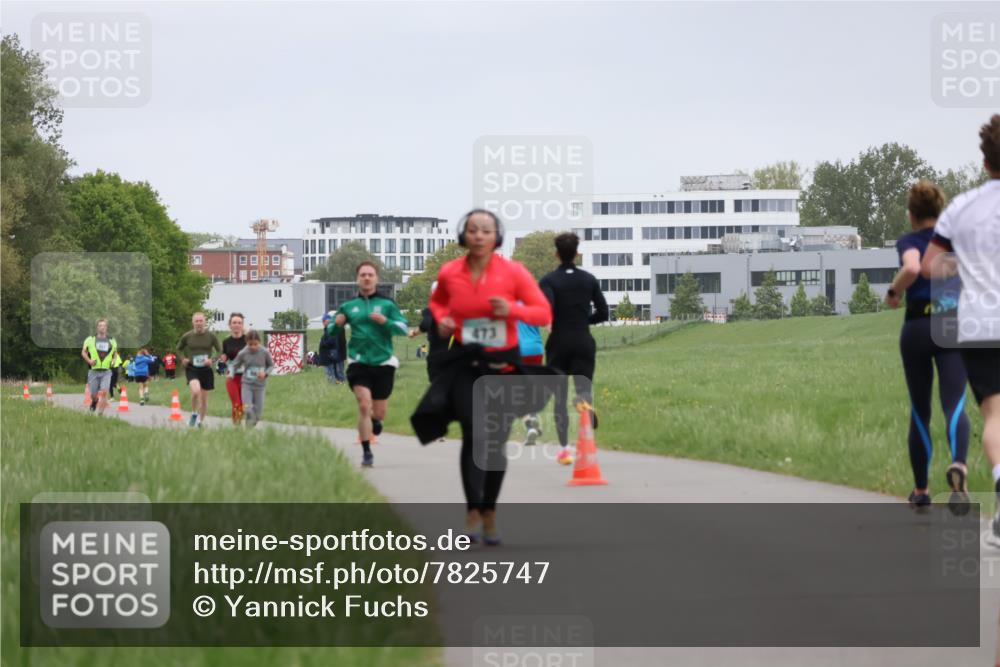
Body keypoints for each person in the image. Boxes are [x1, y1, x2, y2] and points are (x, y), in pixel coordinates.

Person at [412, 209, 553, 545]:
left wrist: (513, 310)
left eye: (486, 230)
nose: (478, 235)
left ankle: (489, 510)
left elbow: (543, 312)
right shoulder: (450, 272)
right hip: (466, 361)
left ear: (496, 237)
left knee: (495, 439)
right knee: (474, 432)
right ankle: (472, 510)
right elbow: (437, 305)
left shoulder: (514, 272)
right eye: (473, 229)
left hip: (502, 361)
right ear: (464, 235)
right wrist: (444, 321)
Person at [922, 114, 1000, 539]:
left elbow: (931, 265)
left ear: (985, 162)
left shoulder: (961, 208)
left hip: (980, 326)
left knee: (994, 415)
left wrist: (967, 267)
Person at [886, 181, 969, 512]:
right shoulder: (954, 241)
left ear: (911, 215)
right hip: (950, 323)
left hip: (917, 326)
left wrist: (894, 292)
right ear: (940, 211)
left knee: (920, 409)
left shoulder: (910, 241)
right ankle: (959, 465)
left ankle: (921, 491)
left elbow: (911, 267)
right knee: (955, 403)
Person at [327, 261, 410, 466]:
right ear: (357, 278)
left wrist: (385, 322)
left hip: (383, 362)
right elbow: (331, 329)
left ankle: (376, 421)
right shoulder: (348, 306)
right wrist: (336, 325)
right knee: (364, 404)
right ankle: (366, 452)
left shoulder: (387, 305)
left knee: (379, 412)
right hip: (359, 361)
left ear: (376, 279)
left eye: (370, 274)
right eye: (363, 274)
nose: (366, 278)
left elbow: (403, 328)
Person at [539, 232, 609, 464]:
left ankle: (564, 450)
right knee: (583, 389)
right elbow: (604, 313)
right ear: (577, 254)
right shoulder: (589, 280)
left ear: (556, 254)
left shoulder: (548, 281)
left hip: (558, 342)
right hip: (582, 340)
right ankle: (584, 409)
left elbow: (546, 310)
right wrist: (583, 320)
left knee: (559, 398)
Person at [176, 311, 222, 427]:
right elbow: (178, 349)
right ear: (193, 323)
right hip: (192, 368)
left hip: (206, 369)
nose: (199, 323)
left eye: (201, 321)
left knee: (204, 400)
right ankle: (194, 413)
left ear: (204, 322)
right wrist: (183, 359)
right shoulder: (187, 336)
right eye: (196, 321)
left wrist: (212, 360)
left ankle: (200, 422)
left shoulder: (211, 336)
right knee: (196, 391)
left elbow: (220, 350)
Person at [228, 329, 275, 427]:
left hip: (260, 386)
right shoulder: (243, 353)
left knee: (257, 414)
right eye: (250, 344)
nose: (253, 347)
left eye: (255, 344)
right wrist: (231, 373)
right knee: (248, 409)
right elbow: (234, 365)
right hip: (247, 385)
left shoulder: (264, 352)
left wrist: (265, 373)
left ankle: (248, 430)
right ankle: (246, 428)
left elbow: (271, 365)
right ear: (246, 342)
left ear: (259, 342)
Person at [516, 316, 546, 450]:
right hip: (536, 349)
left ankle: (530, 426)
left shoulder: (511, 306)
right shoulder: (533, 306)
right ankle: (534, 420)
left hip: (519, 351)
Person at [81, 318, 118, 415]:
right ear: (97, 327)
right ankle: (94, 401)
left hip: (106, 371)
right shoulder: (90, 339)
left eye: (104, 325)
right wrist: (89, 361)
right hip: (93, 371)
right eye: (100, 325)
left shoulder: (112, 340)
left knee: (105, 392)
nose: (102, 327)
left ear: (107, 327)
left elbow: (115, 353)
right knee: (93, 394)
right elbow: (83, 352)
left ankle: (100, 414)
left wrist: (114, 360)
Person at [219, 313, 247, 424]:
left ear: (242, 325)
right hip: (232, 377)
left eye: (239, 323)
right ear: (230, 325)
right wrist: (224, 358)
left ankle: (237, 423)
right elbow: (225, 356)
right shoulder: (226, 342)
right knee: (236, 403)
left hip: (246, 377)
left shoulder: (248, 340)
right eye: (234, 322)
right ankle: (237, 427)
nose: (237, 325)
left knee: (243, 404)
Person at [319, 313, 347, 384]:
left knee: (336, 370)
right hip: (335, 352)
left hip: (335, 352)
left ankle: (339, 381)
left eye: (324, 321)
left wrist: (322, 342)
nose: (323, 323)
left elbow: (331, 341)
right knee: (336, 369)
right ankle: (338, 381)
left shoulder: (332, 329)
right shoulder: (331, 328)